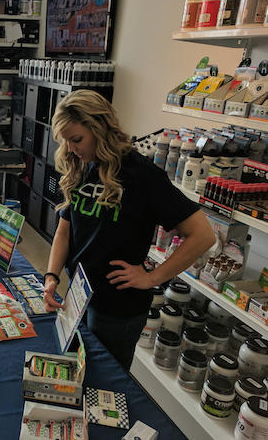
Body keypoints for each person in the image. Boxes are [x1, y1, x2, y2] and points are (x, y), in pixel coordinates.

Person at [43, 90, 216, 371]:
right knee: (76, 370)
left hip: (118, 307)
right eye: (66, 141)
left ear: (100, 129)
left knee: (105, 380)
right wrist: (52, 276)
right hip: (80, 295)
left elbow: (203, 235)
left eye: (77, 139)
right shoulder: (83, 166)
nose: (72, 149)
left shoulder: (142, 175)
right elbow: (65, 230)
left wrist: (152, 277)